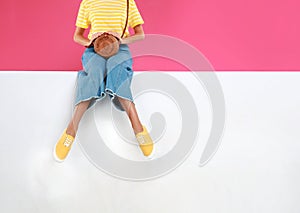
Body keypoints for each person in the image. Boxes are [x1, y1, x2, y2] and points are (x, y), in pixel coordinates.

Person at [53, 0, 154, 162]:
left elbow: (140, 34)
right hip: (95, 48)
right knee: (94, 73)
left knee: (117, 70)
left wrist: (121, 40)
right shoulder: (88, 2)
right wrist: (89, 41)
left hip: (119, 48)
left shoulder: (127, 2)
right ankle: (70, 131)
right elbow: (77, 36)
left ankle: (138, 127)